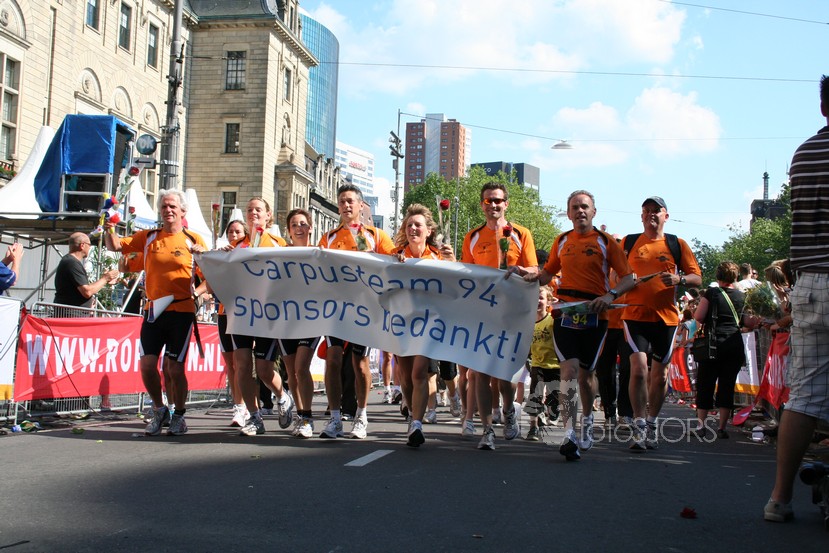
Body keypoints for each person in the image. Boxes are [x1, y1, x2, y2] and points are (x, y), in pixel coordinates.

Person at [516, 190, 635, 461]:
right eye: (575, 207)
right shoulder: (561, 240)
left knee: (586, 375)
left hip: (595, 315)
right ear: (568, 213)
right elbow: (547, 274)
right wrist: (527, 274)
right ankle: (569, 433)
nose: (580, 211)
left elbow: (629, 278)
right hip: (566, 313)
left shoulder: (606, 242)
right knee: (568, 370)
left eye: (585, 207)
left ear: (594, 212)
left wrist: (610, 296)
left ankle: (588, 420)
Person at [766, 74, 829, 523]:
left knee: (804, 395)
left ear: (823, 107)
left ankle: (779, 497)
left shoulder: (804, 153)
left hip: (809, 282)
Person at [104, 189, 206, 436]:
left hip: (181, 311)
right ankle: (160, 409)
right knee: (147, 365)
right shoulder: (149, 237)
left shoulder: (193, 240)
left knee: (174, 369)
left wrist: (196, 294)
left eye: (173, 206)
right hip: (153, 311)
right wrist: (109, 227)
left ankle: (179, 414)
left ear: (183, 211)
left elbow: (210, 277)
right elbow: (115, 246)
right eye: (164, 207)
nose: (168, 210)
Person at [461, 181, 538, 451]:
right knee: (479, 371)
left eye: (497, 200)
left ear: (506, 203)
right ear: (482, 204)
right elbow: (465, 275)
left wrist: (520, 270)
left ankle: (508, 410)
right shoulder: (472, 236)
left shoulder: (521, 234)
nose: (493, 205)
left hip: (511, 314)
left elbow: (535, 269)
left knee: (504, 374)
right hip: (483, 312)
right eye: (488, 201)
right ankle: (487, 429)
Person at [621, 196, 702, 451]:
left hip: (665, 318)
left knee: (660, 375)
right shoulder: (629, 242)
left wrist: (679, 280)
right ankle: (638, 424)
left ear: (666, 215)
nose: (651, 214)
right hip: (634, 315)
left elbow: (697, 278)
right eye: (646, 211)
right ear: (641, 216)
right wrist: (626, 281)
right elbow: (614, 275)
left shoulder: (676, 244)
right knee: (638, 370)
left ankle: (652, 422)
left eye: (656, 210)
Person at [318, 183, 396, 439]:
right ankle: (335, 418)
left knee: (360, 363)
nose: (345, 205)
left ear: (361, 205)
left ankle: (361, 415)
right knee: (333, 360)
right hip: (336, 309)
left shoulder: (376, 236)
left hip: (365, 309)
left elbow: (395, 264)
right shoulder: (329, 238)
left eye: (350, 201)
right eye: (342, 201)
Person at [392, 203, 455, 447]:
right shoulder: (395, 255)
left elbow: (457, 285)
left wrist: (453, 263)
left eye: (418, 225)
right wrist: (393, 264)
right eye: (409, 225)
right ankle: (411, 413)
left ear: (429, 231)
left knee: (420, 372)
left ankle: (417, 424)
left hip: (430, 323)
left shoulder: (439, 257)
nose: (413, 229)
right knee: (406, 378)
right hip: (402, 322)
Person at [230, 197, 294, 437]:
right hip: (242, 313)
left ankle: (282, 396)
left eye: (258, 209)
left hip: (267, 315)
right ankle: (254, 417)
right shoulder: (236, 246)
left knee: (264, 369)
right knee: (242, 366)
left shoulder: (279, 245)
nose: (253, 213)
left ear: (268, 215)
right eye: (249, 210)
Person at [692, 261, 757, 440]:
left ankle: (701, 426)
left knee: (705, 384)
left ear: (718, 276)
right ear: (735, 277)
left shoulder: (711, 293)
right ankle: (721, 427)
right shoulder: (742, 296)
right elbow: (750, 322)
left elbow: (699, 316)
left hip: (713, 344)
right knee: (727, 385)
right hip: (734, 343)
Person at [278, 208, 321, 439]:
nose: (299, 228)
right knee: (291, 373)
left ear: (310, 228)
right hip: (285, 320)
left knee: (301, 367)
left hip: (311, 319)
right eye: (294, 225)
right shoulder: (279, 254)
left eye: (303, 224)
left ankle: (307, 417)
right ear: (288, 230)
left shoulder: (319, 253)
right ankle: (300, 414)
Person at [525, 285, 559, 441]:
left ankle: (551, 410)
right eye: (534, 298)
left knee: (554, 397)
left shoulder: (552, 321)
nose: (537, 301)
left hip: (555, 365)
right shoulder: (528, 322)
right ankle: (533, 427)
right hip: (537, 364)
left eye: (541, 298)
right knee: (535, 394)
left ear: (548, 302)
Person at [54, 232, 119, 309]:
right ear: (82, 245)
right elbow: (87, 292)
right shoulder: (72, 263)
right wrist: (105, 278)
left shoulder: (70, 261)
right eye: (89, 245)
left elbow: (83, 289)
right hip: (71, 313)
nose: (90, 247)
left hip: (74, 312)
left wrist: (105, 279)